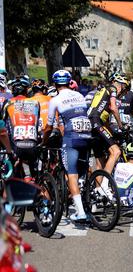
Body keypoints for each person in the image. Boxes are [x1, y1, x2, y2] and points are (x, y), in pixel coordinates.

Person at [43, 70, 92, 222]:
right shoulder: (79, 96)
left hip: (72, 136)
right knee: (82, 169)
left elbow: (49, 127)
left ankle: (80, 212)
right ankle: (86, 191)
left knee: (71, 173)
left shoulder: (55, 100)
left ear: (55, 84)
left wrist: (44, 141)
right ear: (69, 82)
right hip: (87, 132)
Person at [88, 73, 130, 174]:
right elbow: (114, 108)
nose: (123, 94)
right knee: (116, 152)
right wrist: (121, 126)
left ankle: (98, 189)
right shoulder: (113, 89)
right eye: (124, 91)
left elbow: (105, 119)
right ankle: (106, 185)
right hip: (96, 121)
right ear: (122, 85)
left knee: (100, 162)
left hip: (92, 122)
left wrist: (111, 132)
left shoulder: (104, 90)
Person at [5, 77, 41, 178]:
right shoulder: (35, 103)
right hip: (32, 143)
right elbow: (37, 123)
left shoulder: (8, 103)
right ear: (26, 90)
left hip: (16, 145)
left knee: (13, 169)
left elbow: (3, 124)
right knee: (30, 172)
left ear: (13, 90)